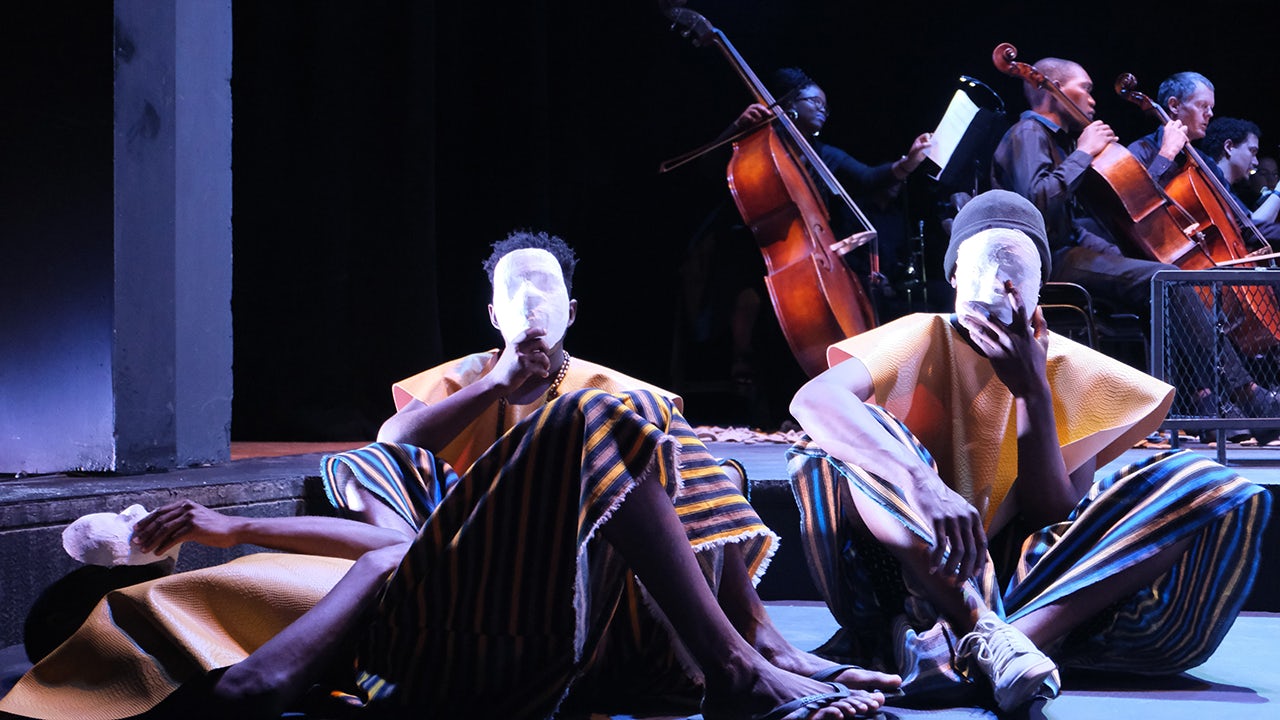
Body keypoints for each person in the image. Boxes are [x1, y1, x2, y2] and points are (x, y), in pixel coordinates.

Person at [0, 230, 899, 720]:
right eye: (519, 292)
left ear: (574, 309)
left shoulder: (235, 567)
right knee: (580, 424)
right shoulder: (187, 611)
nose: (535, 307)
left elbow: (384, 544)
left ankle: (759, 655)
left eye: (549, 292)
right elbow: (375, 537)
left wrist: (232, 526)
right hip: (452, 633)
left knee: (636, 416)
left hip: (557, 611)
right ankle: (742, 671)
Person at [785, 189, 1271, 714]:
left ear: (1040, 285)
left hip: (1029, 589)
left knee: (1214, 483)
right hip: (910, 575)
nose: (999, 284)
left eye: (1017, 269)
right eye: (984, 266)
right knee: (850, 441)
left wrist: (1031, 391)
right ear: (954, 278)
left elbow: (1053, 519)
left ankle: (994, 645)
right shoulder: (923, 334)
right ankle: (985, 633)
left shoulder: (1067, 367)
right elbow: (814, 400)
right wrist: (920, 483)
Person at [989, 56, 1280, 438]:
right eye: (1085, 88)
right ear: (1050, 88)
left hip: (1068, 250)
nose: (1092, 99)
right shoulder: (1028, 132)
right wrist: (1084, 151)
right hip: (1046, 261)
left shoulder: (1058, 141)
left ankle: (1207, 403)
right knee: (1164, 280)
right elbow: (1039, 200)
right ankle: (1245, 392)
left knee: (1162, 288)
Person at [1126, 71, 1216, 188]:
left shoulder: (1205, 163)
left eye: (1211, 108)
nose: (1210, 113)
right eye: (1203, 106)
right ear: (1174, 106)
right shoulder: (1140, 151)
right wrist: (1166, 154)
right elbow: (1135, 200)